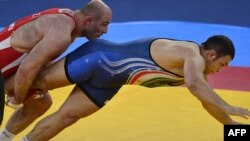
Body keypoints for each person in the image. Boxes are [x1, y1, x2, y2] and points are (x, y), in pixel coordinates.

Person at [11, 35, 250, 140]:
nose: (222, 69)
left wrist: (234, 128)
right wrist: (228, 105)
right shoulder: (191, 54)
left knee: (66, 117)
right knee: (35, 82)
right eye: (223, 64)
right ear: (211, 54)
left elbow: (205, 98)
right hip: (98, 57)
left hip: (110, 81)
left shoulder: (196, 71)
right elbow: (197, 87)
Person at [0, 0, 112, 140]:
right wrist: (17, 99)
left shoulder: (64, 16)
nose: (106, 31)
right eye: (104, 24)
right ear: (89, 20)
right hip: (6, 71)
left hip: (6, 69)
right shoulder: (61, 34)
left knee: (40, 103)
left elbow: (35, 58)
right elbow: (27, 68)